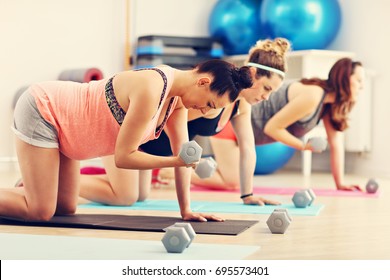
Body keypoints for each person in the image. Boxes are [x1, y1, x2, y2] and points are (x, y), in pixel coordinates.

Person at [1, 59, 254, 222]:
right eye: (208, 103)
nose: (202, 110)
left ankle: (31, 189)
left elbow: (183, 154)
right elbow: (124, 157)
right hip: (46, 109)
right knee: (40, 211)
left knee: (65, 208)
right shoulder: (152, 88)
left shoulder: (176, 101)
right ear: (203, 81)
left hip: (68, 131)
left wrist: (186, 210)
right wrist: (175, 162)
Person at [79, 38, 291, 206]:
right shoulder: (205, 98)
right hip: (127, 131)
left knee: (141, 196)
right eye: (267, 88)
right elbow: (177, 142)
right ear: (253, 73)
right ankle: (58, 182)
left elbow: (247, 149)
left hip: (151, 147)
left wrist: (248, 195)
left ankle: (78, 180)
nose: (266, 97)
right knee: (125, 197)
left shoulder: (240, 106)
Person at [188, 57, 364, 192]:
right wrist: (303, 146)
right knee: (232, 182)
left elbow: (336, 145)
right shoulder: (314, 95)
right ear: (344, 79)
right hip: (232, 126)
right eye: (358, 80)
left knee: (233, 182)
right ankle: (170, 170)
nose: (361, 86)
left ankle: (177, 169)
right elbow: (272, 128)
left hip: (246, 132)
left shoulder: (327, 105)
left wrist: (340, 184)